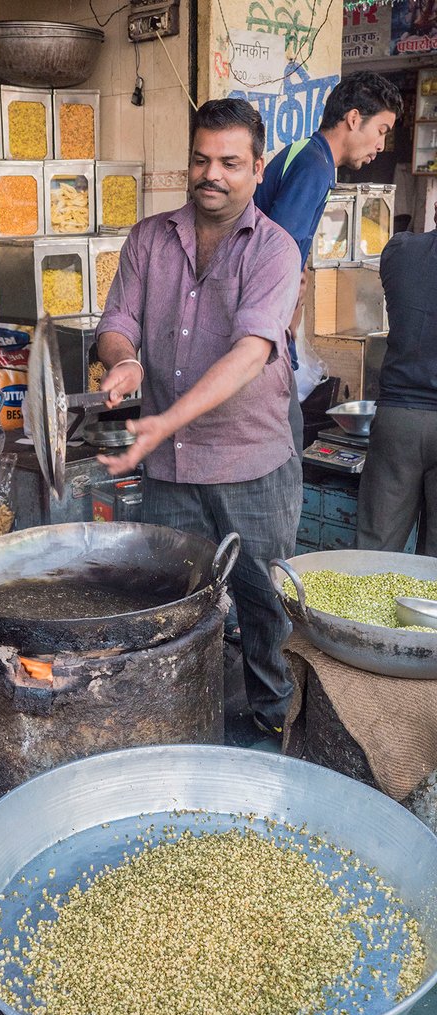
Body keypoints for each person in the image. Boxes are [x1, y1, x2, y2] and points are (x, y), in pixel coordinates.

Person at [94, 98, 302, 737]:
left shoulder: (274, 251)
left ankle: (276, 726)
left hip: (250, 463)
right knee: (172, 602)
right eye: (201, 159)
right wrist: (125, 362)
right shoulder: (149, 238)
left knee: (265, 606)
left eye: (230, 163)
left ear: (257, 168)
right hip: (170, 470)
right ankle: (176, 722)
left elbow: (250, 354)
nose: (212, 173)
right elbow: (117, 322)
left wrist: (163, 420)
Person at [255, 71, 404, 454]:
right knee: (283, 450)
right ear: (354, 119)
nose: (381, 146)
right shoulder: (315, 167)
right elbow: (279, 254)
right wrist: (286, 325)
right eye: (382, 130)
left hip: (262, 323)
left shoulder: (304, 151)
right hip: (263, 330)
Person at [356, 202, 437, 556]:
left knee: (375, 551)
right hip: (405, 411)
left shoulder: (401, 251)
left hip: (398, 420)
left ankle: (357, 613)